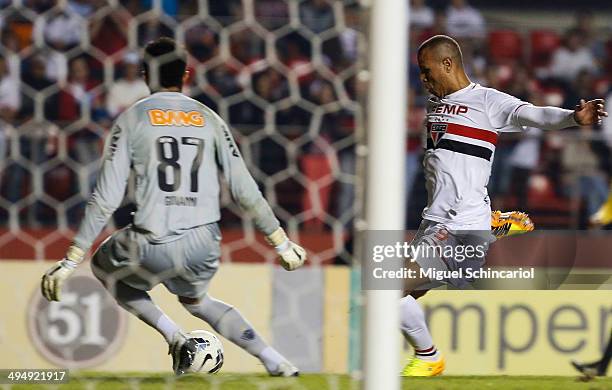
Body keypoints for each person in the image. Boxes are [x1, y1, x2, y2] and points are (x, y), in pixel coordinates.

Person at [40, 37, 306, 377]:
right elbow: (244, 188)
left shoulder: (133, 117)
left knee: (106, 267)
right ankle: (275, 361)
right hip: (204, 244)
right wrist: (280, 242)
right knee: (199, 302)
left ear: (143, 74)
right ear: (186, 74)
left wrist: (70, 259)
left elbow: (106, 196)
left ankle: (176, 337)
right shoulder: (210, 118)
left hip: (151, 240)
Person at [401, 35, 606, 377]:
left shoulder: (487, 101)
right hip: (434, 222)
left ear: (448, 64)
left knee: (389, 287)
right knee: (398, 298)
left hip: (458, 226)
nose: (423, 79)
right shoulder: (435, 104)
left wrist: (573, 117)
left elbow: (534, 114)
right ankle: (492, 227)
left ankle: (429, 357)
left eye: (426, 70)